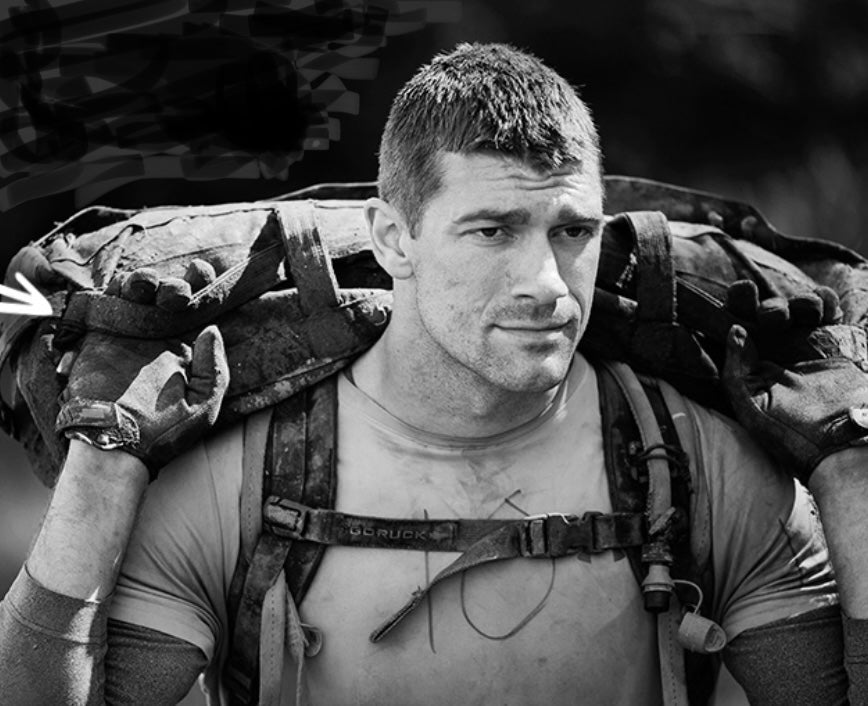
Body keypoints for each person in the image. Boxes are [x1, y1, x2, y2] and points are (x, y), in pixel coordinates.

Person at [2, 41, 868, 705]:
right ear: (393, 238)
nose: (546, 283)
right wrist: (103, 466)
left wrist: (849, 472)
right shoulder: (237, 480)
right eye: (492, 231)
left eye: (572, 231)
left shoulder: (701, 465)